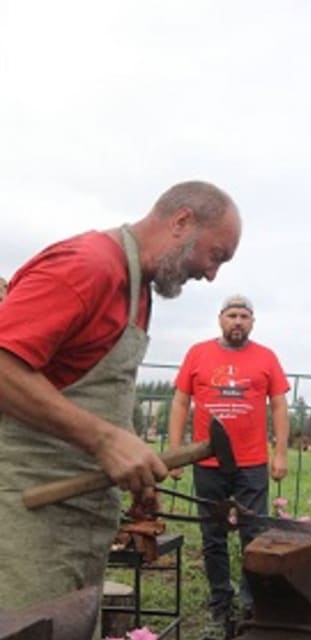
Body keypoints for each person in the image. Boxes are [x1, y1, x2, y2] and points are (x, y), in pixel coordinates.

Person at [0, 181, 241, 618]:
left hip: (77, 519)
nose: (211, 274)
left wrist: (131, 457)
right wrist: (104, 441)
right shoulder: (87, 266)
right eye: (215, 255)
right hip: (24, 514)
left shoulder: (136, 290)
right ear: (182, 221)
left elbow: (92, 393)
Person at [167, 294, 290, 637]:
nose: (238, 321)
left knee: (254, 534)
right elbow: (180, 402)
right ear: (221, 319)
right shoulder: (198, 353)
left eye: (244, 316)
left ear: (252, 322)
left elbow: (279, 406)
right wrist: (175, 454)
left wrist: (280, 453)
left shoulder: (266, 357)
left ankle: (252, 604)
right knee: (213, 535)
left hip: (252, 462)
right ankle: (220, 603)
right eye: (232, 315)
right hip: (207, 461)